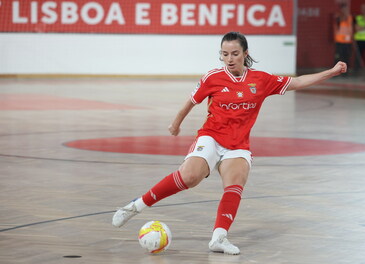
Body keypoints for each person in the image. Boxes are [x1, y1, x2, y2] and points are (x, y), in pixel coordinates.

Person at [112, 32, 347, 255]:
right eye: (225, 54)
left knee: (235, 182)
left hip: (238, 145)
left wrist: (331, 72)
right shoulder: (213, 77)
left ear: (245, 53)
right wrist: (176, 124)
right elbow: (191, 102)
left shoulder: (261, 80)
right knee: (190, 176)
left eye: (234, 53)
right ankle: (135, 206)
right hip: (211, 137)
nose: (229, 59)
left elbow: (297, 82)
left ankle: (219, 238)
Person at [333, 3, 354, 70]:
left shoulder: (350, 17)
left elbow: (351, 28)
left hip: (347, 41)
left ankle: (345, 71)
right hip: (339, 40)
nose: (346, 10)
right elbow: (341, 21)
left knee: (346, 57)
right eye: (344, 9)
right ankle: (336, 71)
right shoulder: (338, 16)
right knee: (338, 57)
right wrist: (344, 14)